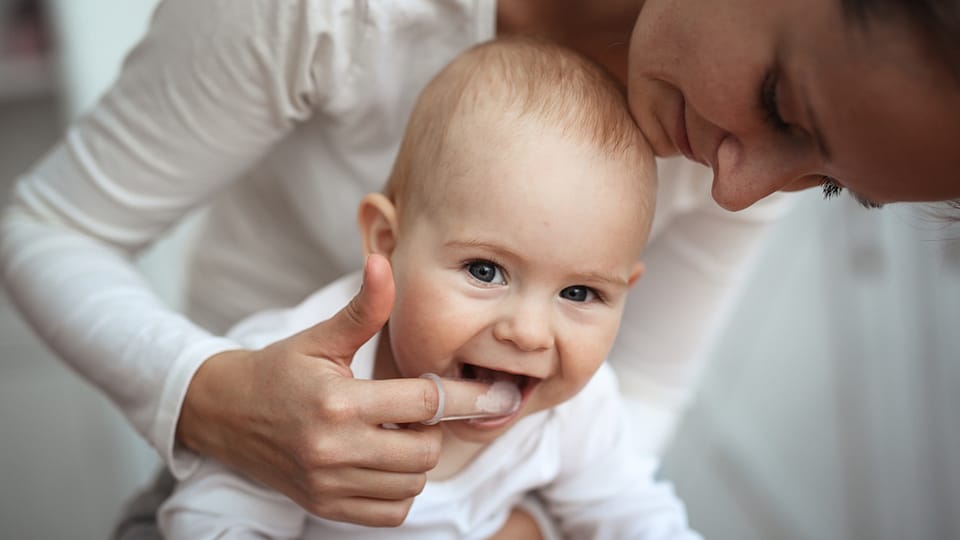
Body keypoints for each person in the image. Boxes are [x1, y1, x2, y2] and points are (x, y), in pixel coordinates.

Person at [0, 0, 957, 534]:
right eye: (783, 103)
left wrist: (525, 530)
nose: (743, 193)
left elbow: (633, 434)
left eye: (826, 182)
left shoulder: (574, 405)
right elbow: (48, 227)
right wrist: (212, 397)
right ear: (381, 239)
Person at [157, 37, 699, 539]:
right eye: (485, 270)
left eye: (580, 294)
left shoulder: (577, 411)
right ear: (387, 243)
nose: (530, 334)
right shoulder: (296, 382)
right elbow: (210, 521)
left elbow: (633, 514)